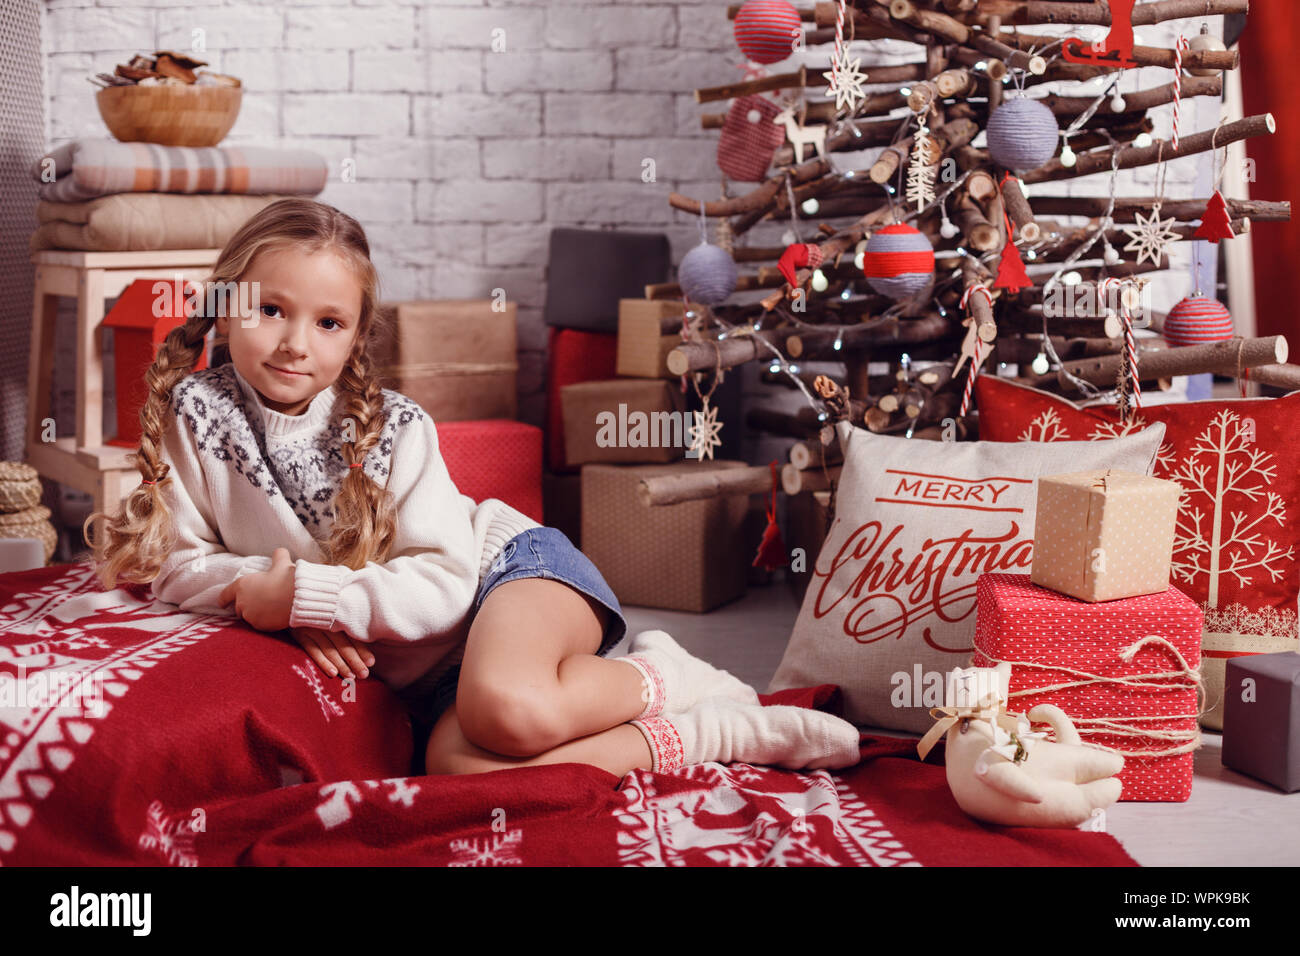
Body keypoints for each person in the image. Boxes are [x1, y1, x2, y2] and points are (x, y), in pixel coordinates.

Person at [82, 198, 861, 779]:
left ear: (356, 335)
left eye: (328, 322)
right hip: (426, 669)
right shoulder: (198, 411)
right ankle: (714, 735)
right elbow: (180, 564)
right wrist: (268, 593)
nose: (293, 343)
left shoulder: (396, 427)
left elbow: (443, 587)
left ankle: (671, 674)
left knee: (509, 711)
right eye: (270, 310)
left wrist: (308, 599)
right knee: (460, 771)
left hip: (504, 577)